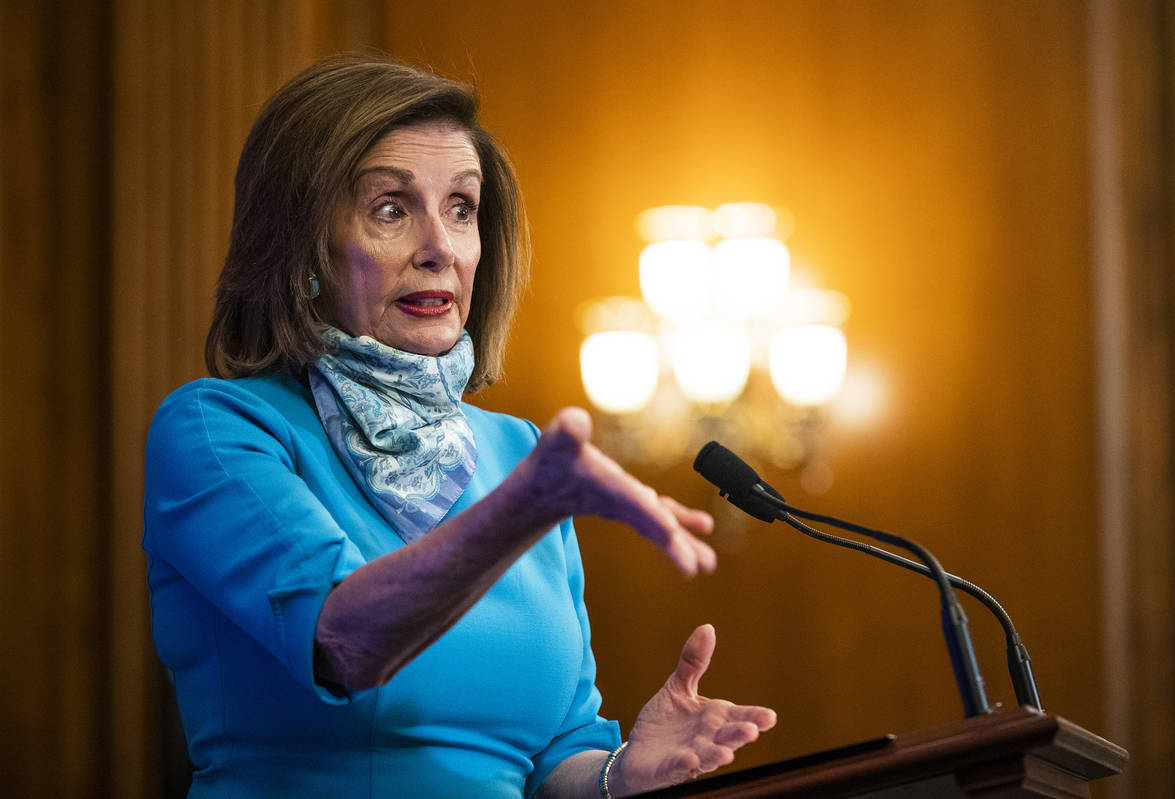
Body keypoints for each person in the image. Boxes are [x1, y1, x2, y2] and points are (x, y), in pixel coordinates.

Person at [143, 53, 776, 799]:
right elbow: (342, 640)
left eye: (462, 208)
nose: (440, 246)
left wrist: (617, 772)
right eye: (390, 207)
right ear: (302, 247)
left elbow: (554, 756)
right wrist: (522, 508)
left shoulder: (522, 454)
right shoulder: (218, 429)